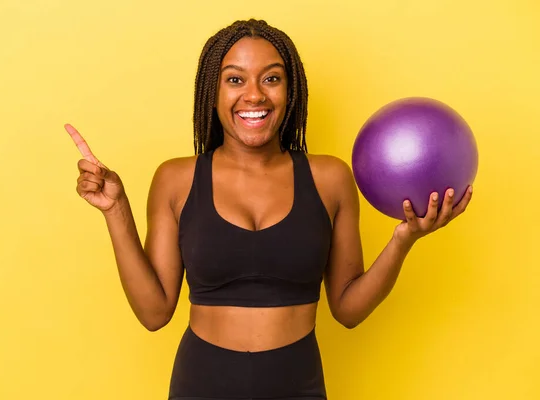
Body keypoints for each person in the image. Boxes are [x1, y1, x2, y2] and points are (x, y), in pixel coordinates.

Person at [65, 18, 472, 400]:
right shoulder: (176, 179)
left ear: (290, 91)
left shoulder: (330, 178)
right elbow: (154, 313)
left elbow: (348, 310)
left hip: (299, 386)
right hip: (200, 384)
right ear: (213, 92)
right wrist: (115, 210)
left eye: (272, 78)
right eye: (235, 80)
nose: (255, 94)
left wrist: (404, 239)